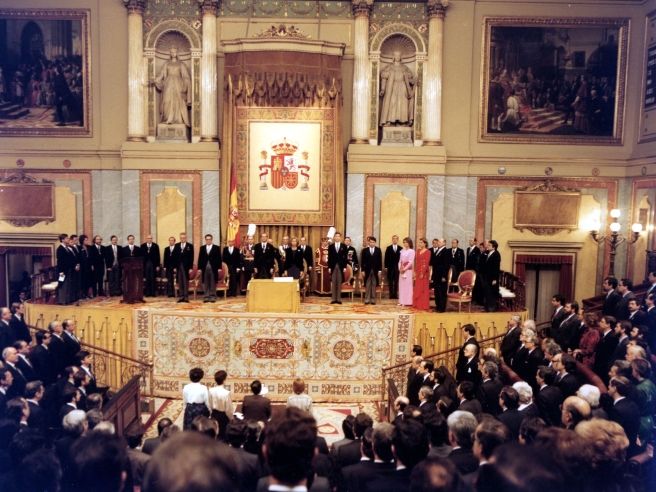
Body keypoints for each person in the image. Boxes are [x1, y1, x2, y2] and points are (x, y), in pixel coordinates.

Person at [153, 47, 191, 127]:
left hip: (178, 84)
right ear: (170, 53)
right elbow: (161, 74)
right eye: (172, 52)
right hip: (168, 84)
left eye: (175, 52)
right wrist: (156, 80)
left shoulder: (181, 64)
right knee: (167, 100)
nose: (173, 53)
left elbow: (185, 76)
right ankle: (167, 118)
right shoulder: (166, 64)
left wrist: (186, 82)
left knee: (178, 101)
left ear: (177, 53)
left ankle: (177, 119)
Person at [379, 50, 415, 126]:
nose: (397, 57)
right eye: (396, 55)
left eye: (399, 56)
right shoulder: (389, 67)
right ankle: (390, 120)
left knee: (402, 104)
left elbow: (410, 75)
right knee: (392, 103)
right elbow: (383, 76)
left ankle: (402, 121)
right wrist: (383, 89)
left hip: (402, 87)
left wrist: (406, 75)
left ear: (400, 57)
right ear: (394, 57)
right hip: (392, 87)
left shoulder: (404, 67)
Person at [208, 370, 233, 441]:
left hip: (214, 414)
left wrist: (210, 415)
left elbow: (209, 405)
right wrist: (231, 419)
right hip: (223, 417)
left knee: (215, 434)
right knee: (223, 436)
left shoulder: (210, 390)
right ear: (224, 380)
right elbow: (228, 409)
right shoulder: (226, 393)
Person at [198, 234, 221, 303]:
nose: (208, 240)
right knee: (205, 282)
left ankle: (212, 296)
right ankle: (206, 296)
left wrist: (219, 268)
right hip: (204, 267)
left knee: (212, 282)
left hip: (213, 268)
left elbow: (219, 258)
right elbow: (200, 258)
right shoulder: (202, 248)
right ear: (205, 240)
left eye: (209, 239)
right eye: (207, 239)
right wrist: (199, 268)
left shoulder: (216, 248)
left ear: (211, 240)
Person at [361, 236, 383, 305]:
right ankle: (367, 299)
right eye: (370, 242)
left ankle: (373, 299)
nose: (372, 243)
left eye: (373, 242)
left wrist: (379, 270)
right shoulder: (365, 250)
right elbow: (362, 261)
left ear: (375, 243)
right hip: (367, 270)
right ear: (369, 242)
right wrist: (362, 270)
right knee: (367, 285)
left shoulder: (378, 250)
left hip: (375, 270)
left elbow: (380, 261)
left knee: (374, 285)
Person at [173, 232, 194, 303]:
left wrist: (190, 268)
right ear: (180, 238)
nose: (182, 239)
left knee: (185, 282)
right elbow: (174, 257)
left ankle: (186, 297)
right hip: (178, 266)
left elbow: (191, 257)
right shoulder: (176, 245)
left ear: (186, 238)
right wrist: (175, 267)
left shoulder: (190, 246)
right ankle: (181, 297)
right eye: (181, 238)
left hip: (186, 267)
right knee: (180, 281)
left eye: (184, 238)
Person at [328, 232, 348, 304]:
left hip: (341, 266)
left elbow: (345, 258)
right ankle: (333, 299)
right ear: (334, 237)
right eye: (336, 236)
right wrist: (329, 267)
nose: (337, 237)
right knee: (333, 283)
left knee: (339, 282)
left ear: (340, 237)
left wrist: (345, 267)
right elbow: (329, 258)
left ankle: (339, 299)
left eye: (338, 236)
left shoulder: (344, 246)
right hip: (333, 266)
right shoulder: (331, 246)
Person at [481, 240, 500, 312]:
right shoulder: (488, 253)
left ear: (494, 247)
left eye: (489, 245)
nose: (487, 246)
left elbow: (496, 268)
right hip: (487, 277)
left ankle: (491, 308)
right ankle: (487, 307)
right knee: (487, 292)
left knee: (491, 293)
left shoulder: (496, 254)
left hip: (492, 278)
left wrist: (495, 279)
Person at [431, 238, 449, 312]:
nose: (438, 243)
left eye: (440, 242)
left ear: (444, 243)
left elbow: (446, 265)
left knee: (442, 292)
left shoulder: (446, 251)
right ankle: (438, 306)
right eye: (438, 242)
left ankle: (442, 308)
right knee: (437, 292)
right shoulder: (438, 250)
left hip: (442, 276)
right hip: (436, 275)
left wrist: (444, 276)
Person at [413, 238, 431, 310]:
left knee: (423, 288)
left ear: (425, 243)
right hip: (418, 271)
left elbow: (426, 263)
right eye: (419, 242)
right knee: (417, 287)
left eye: (421, 242)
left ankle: (423, 305)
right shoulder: (417, 251)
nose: (420, 244)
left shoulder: (428, 252)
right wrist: (415, 271)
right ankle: (417, 304)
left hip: (424, 273)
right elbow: (416, 262)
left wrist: (422, 273)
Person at [398, 237, 415, 307]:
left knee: (407, 286)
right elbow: (400, 261)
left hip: (408, 271)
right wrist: (400, 268)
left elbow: (410, 262)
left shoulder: (412, 251)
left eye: (406, 242)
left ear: (409, 243)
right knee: (401, 286)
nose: (405, 243)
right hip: (402, 270)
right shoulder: (402, 251)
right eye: (404, 242)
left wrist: (404, 269)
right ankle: (401, 301)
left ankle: (407, 301)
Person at [384, 235, 401, 299]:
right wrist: (386, 266)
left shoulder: (400, 248)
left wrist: (401, 267)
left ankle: (395, 295)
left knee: (396, 281)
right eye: (393, 239)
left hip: (397, 267)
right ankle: (391, 295)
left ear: (397, 240)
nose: (394, 240)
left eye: (396, 239)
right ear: (392, 240)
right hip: (390, 267)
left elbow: (401, 259)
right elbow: (386, 258)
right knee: (390, 281)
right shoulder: (388, 248)